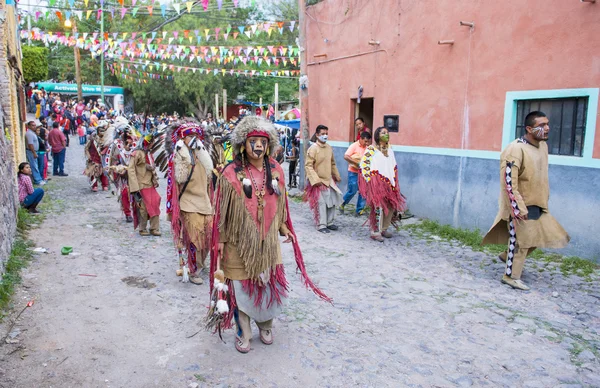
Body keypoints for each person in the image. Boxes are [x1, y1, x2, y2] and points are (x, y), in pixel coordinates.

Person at [208, 116, 330, 353]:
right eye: (252, 141)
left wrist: (284, 226)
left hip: (268, 242)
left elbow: (281, 203)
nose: (258, 146)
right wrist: (220, 239)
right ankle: (243, 331)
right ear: (243, 144)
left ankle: (266, 324)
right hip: (238, 242)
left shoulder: (275, 170)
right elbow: (220, 210)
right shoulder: (231, 173)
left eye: (262, 141)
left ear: (269, 144)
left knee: (266, 285)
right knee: (241, 288)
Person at [482, 111, 570, 291]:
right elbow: (508, 182)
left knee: (540, 236)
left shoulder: (542, 146)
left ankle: (507, 256)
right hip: (520, 206)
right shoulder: (515, 149)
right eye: (542, 125)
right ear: (529, 129)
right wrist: (517, 208)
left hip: (539, 204)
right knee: (521, 243)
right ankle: (510, 276)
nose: (547, 128)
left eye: (547, 124)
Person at [165, 122, 214, 284]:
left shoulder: (203, 154)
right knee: (194, 238)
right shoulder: (177, 156)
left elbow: (209, 179)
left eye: (196, 136)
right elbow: (175, 183)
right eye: (189, 137)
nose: (193, 139)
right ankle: (193, 271)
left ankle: (200, 264)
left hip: (204, 202)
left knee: (207, 238)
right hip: (187, 202)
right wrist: (174, 209)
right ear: (182, 138)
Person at [359, 127, 406, 242]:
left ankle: (383, 228)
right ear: (377, 136)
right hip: (376, 183)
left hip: (389, 183)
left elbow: (393, 166)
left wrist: (394, 182)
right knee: (377, 207)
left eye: (387, 132)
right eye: (383, 133)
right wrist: (370, 181)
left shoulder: (390, 149)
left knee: (390, 207)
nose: (386, 134)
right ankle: (375, 230)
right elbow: (364, 165)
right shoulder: (371, 149)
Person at [304, 125, 342, 233]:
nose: (325, 136)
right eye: (322, 134)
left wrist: (336, 175)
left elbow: (332, 163)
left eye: (326, 133)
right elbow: (308, 166)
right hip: (317, 181)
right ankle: (321, 224)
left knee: (332, 200)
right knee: (321, 203)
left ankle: (329, 222)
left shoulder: (329, 148)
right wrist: (315, 180)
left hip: (328, 179)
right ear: (317, 135)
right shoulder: (313, 149)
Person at [127, 134, 161, 236]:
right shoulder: (136, 153)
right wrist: (135, 187)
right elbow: (131, 169)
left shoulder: (149, 153)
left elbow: (150, 167)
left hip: (150, 184)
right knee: (144, 207)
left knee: (155, 202)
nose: (152, 145)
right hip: (141, 185)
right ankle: (142, 228)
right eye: (151, 143)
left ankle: (154, 228)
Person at [107, 121, 137, 223]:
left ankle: (137, 212)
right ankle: (128, 213)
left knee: (137, 194)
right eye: (125, 134)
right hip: (123, 175)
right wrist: (118, 168)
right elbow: (112, 160)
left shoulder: (135, 144)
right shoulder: (116, 145)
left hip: (135, 174)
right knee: (125, 193)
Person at [340, 131, 371, 216]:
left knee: (363, 191)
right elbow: (346, 156)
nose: (366, 143)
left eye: (368, 141)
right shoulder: (354, 146)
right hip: (353, 172)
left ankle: (359, 210)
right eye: (365, 141)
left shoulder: (368, 148)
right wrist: (356, 162)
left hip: (363, 173)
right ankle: (342, 203)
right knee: (352, 190)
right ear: (360, 139)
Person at [84, 121, 110, 191]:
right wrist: (89, 156)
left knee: (104, 172)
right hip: (94, 158)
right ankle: (94, 186)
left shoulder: (107, 140)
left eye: (103, 131)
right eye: (100, 131)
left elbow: (109, 149)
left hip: (103, 159)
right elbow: (86, 148)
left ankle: (104, 185)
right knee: (93, 172)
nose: (102, 132)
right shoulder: (93, 139)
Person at [24, 121, 45, 185]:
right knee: (34, 166)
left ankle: (38, 179)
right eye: (32, 125)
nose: (34, 127)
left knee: (36, 165)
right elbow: (30, 144)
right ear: (29, 126)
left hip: (34, 151)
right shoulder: (29, 133)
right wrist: (34, 153)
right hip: (31, 151)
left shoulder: (32, 133)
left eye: (35, 125)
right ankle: (37, 180)